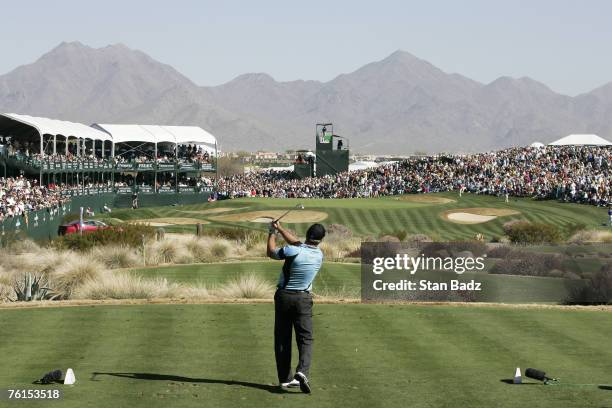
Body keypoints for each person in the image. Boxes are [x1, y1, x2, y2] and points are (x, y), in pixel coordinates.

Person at [267, 221, 326, 393]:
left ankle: (285, 379)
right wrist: (280, 229)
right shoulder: (319, 255)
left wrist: (272, 232)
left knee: (283, 338)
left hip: (284, 297)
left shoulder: (293, 251)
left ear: (307, 235)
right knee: (305, 339)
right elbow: (297, 244)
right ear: (321, 239)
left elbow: (271, 252)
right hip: (303, 300)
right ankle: (302, 372)